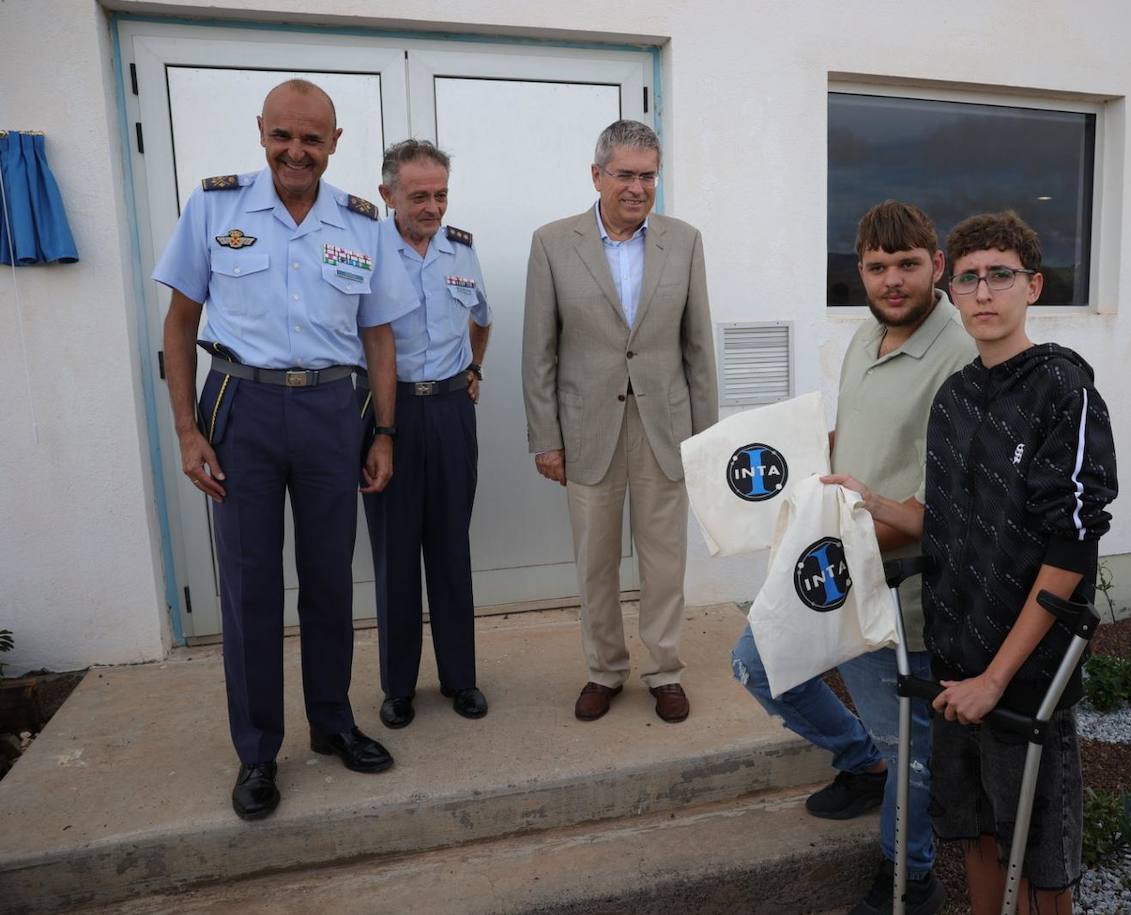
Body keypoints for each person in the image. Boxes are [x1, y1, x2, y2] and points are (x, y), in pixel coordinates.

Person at [837, 211, 1119, 914]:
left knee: (1040, 851)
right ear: (951, 289)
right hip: (955, 656)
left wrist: (997, 678)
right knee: (980, 835)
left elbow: (1071, 551)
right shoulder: (957, 397)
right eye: (969, 278)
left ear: (1033, 286)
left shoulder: (1065, 392)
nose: (984, 292)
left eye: (1000, 275)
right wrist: (870, 499)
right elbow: (947, 525)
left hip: (1022, 676)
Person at [155, 79, 418, 821]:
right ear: (262, 133)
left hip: (337, 407)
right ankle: (258, 750)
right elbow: (179, 322)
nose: (296, 151)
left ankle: (332, 722)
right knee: (249, 587)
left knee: (330, 576)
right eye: (283, 136)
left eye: (312, 138)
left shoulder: (363, 222)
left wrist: (385, 431)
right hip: (242, 405)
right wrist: (185, 427)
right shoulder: (214, 206)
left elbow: (379, 335)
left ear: (334, 143)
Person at [732, 200, 975, 915]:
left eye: (907, 264)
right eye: (876, 266)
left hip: (899, 592)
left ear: (935, 264)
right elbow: (860, 438)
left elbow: (937, 513)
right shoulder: (868, 335)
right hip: (838, 565)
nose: (891, 280)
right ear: (859, 271)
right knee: (756, 665)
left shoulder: (959, 358)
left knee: (911, 746)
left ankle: (912, 876)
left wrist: (836, 540)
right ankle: (857, 759)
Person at [521, 119, 717, 724]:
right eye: (626, 174)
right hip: (587, 432)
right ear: (597, 175)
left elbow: (699, 347)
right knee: (595, 560)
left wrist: (706, 441)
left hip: (667, 428)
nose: (638, 187)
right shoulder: (554, 243)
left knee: (665, 560)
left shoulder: (683, 242)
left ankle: (664, 670)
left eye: (648, 175)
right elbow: (539, 351)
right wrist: (545, 439)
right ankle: (604, 670)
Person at [358, 139, 492, 729]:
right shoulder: (364, 249)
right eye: (419, 196)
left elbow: (481, 318)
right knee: (395, 557)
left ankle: (460, 678)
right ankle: (398, 687)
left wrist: (474, 370)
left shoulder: (460, 250)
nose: (433, 206)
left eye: (440, 194)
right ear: (387, 194)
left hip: (449, 414)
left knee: (450, 549)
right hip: (388, 417)